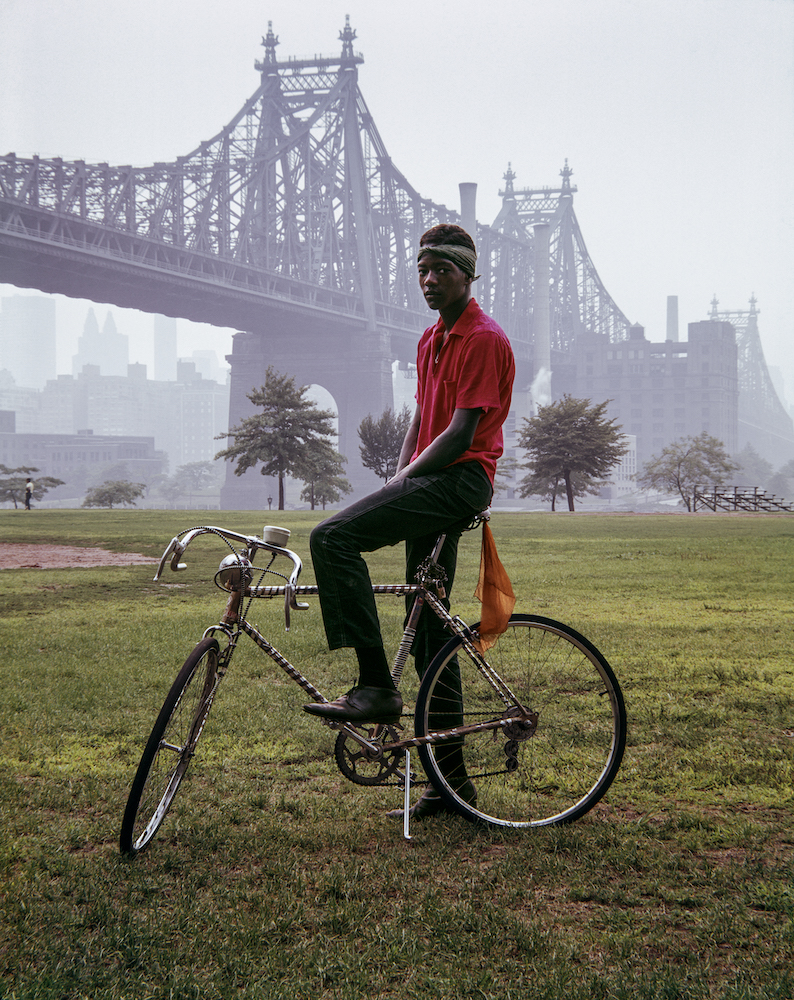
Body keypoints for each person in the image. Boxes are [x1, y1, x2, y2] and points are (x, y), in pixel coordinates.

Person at [305, 223, 515, 818]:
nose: (428, 281)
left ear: (467, 275)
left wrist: (405, 482)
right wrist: (397, 475)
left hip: (460, 480)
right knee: (431, 635)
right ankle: (452, 787)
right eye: (422, 271)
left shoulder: (482, 338)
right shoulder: (430, 339)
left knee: (333, 538)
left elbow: (459, 434)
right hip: (431, 477)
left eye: (441, 271)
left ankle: (375, 687)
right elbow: (423, 415)